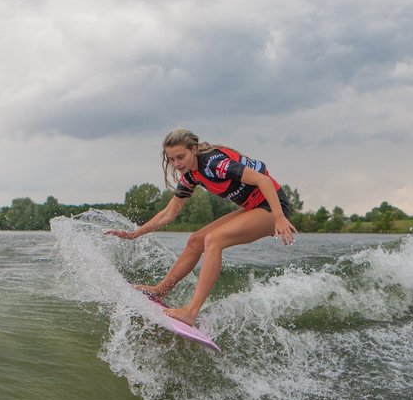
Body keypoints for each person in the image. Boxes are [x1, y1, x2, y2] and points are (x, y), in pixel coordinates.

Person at [107, 129, 296, 326]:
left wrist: (280, 217)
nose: (176, 164)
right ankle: (161, 289)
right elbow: (169, 212)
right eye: (171, 159)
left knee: (214, 240)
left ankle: (191, 311)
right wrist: (134, 234)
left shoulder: (215, 164)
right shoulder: (190, 176)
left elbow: (262, 179)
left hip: (272, 207)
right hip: (254, 207)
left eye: (181, 157)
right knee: (196, 240)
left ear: (194, 150)